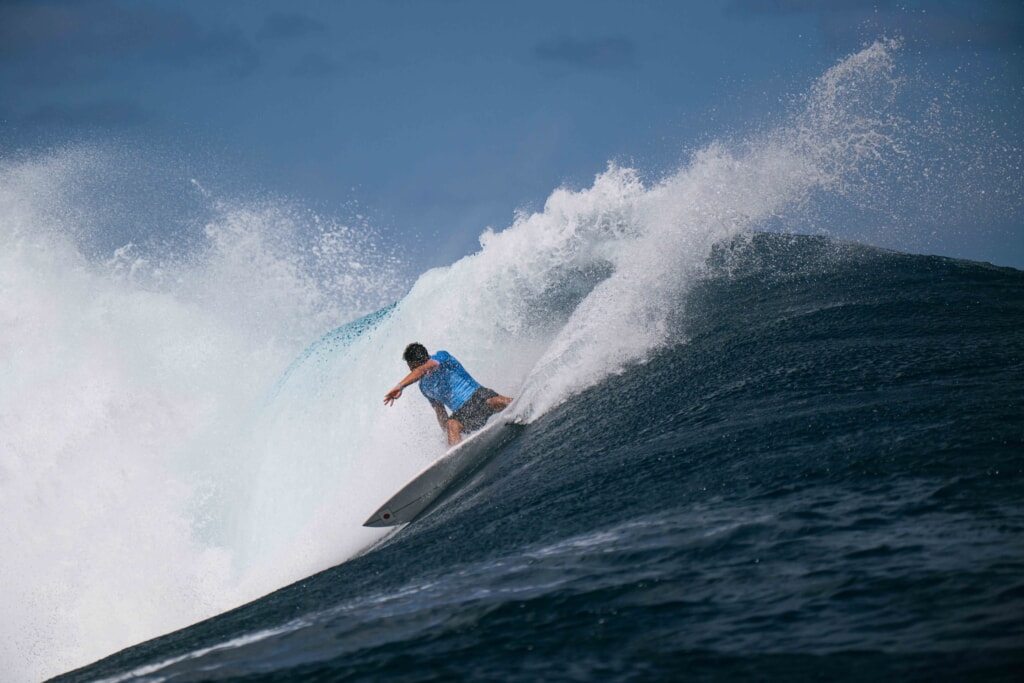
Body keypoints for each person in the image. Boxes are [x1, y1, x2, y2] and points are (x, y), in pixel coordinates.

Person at [383, 342, 512, 446]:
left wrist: (400, 386)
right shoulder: (424, 387)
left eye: (411, 366)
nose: (410, 369)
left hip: (478, 396)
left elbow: (423, 369)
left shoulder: (441, 357)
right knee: (452, 424)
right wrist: (447, 435)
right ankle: (456, 458)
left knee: (493, 401)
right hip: (465, 414)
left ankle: (523, 404)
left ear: (416, 363)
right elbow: (440, 412)